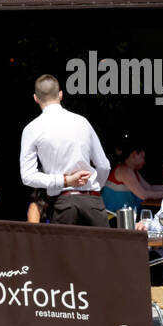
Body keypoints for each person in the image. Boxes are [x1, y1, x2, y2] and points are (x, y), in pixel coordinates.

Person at [19, 75, 111, 229]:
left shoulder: (32, 129)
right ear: (60, 94)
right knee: (102, 253)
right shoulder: (82, 122)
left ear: (35, 98)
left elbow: (27, 177)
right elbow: (103, 166)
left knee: (64, 253)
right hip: (93, 202)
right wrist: (93, 186)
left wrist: (65, 181)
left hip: (63, 203)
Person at [102, 144, 163, 216]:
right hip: (117, 217)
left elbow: (149, 187)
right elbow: (143, 195)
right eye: (143, 157)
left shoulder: (133, 171)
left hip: (126, 215)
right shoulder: (124, 171)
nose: (144, 161)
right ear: (134, 154)